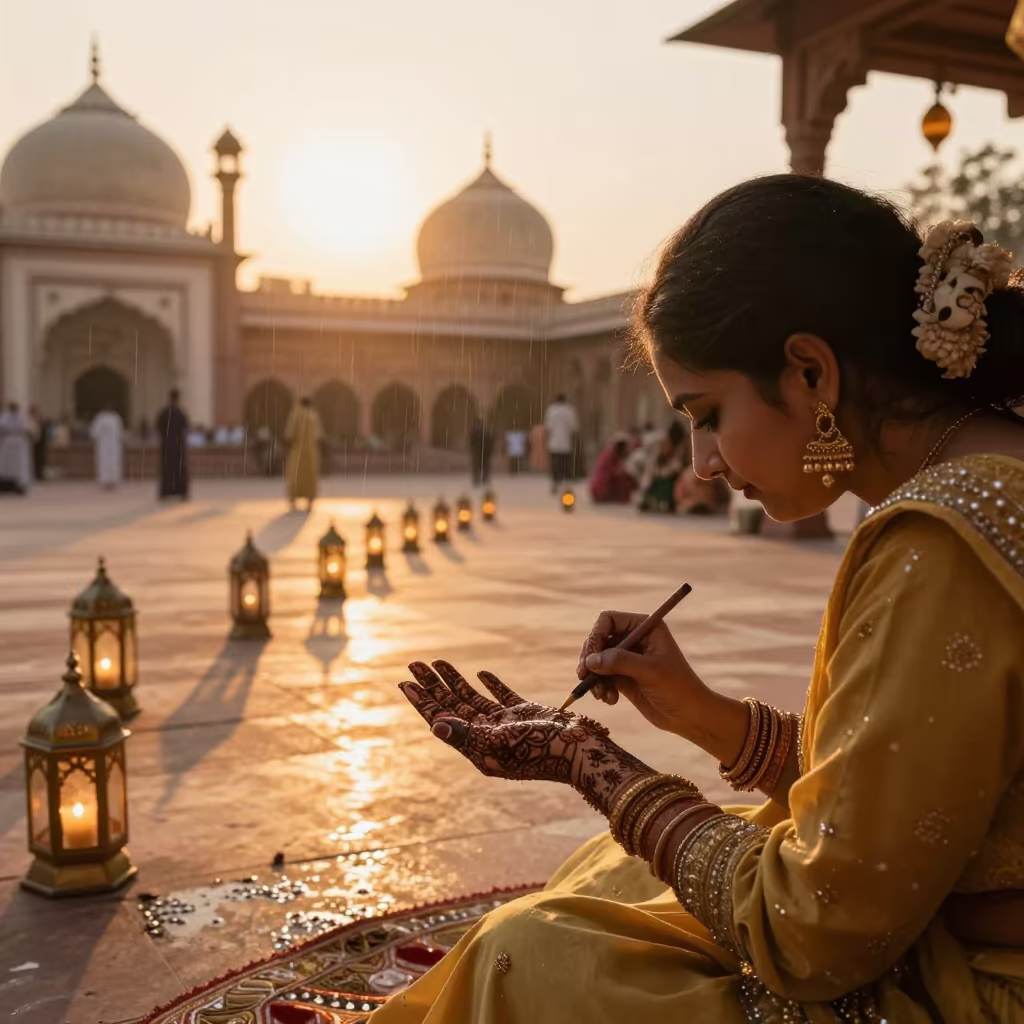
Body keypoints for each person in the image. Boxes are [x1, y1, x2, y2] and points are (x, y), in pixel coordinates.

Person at [381, 176, 1024, 1021]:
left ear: (809, 372)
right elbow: (913, 802)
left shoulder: (941, 542)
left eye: (707, 413)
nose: (703, 463)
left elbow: (815, 926)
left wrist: (594, 765)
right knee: (606, 874)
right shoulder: (991, 475)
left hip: (983, 987)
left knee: (527, 955)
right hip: (955, 924)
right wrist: (698, 712)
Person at [637, 419, 688, 512]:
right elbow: (650, 471)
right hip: (654, 481)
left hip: (667, 480)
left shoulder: (676, 451)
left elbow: (677, 467)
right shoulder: (658, 447)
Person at [284, 396, 322, 511]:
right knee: (310, 475)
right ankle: (310, 501)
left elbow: (289, 434)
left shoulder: (295, 415)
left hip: (297, 451)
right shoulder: (313, 416)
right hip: (311, 451)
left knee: (295, 474)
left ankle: (293, 500)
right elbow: (319, 435)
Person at [155, 389, 189, 500]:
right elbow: (185, 428)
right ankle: (180, 491)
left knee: (167, 468)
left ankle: (166, 492)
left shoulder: (164, 413)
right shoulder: (180, 413)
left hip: (167, 445)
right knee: (178, 468)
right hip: (178, 445)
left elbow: (158, 428)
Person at [543, 393, 578, 494]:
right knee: (565, 464)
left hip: (554, 442)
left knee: (555, 464)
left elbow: (548, 427)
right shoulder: (569, 410)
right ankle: (565, 484)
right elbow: (574, 428)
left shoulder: (551, 410)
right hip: (566, 442)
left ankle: (555, 483)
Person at [589, 436, 637, 504]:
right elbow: (614, 472)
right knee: (625, 479)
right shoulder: (610, 455)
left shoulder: (612, 454)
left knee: (626, 477)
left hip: (600, 488)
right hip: (601, 490)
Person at [0, 402, 32, 494]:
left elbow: (27, 428)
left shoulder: (21, 417)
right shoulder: (5, 417)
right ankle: (6, 483)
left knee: (20, 464)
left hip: (19, 443)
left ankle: (20, 483)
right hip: (9, 443)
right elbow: (2, 427)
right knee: (7, 464)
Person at [90, 406, 124, 490]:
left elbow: (94, 432)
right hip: (112, 445)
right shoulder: (115, 418)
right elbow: (120, 432)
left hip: (105, 445)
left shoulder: (101, 418)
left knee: (106, 462)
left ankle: (107, 482)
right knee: (111, 462)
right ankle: (111, 481)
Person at [468, 416, 494, 487]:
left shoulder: (474, 432)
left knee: (477, 466)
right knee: (484, 466)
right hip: (484, 452)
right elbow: (491, 441)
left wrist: (473, 450)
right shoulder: (486, 432)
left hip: (478, 452)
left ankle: (477, 479)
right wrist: (490, 450)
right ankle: (484, 478)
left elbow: (471, 442)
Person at [28, 406, 48, 482]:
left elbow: (43, 431)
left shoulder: (40, 421)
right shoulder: (29, 421)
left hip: (40, 443)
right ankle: (35, 474)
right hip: (33, 443)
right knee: (34, 459)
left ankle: (39, 474)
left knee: (40, 459)